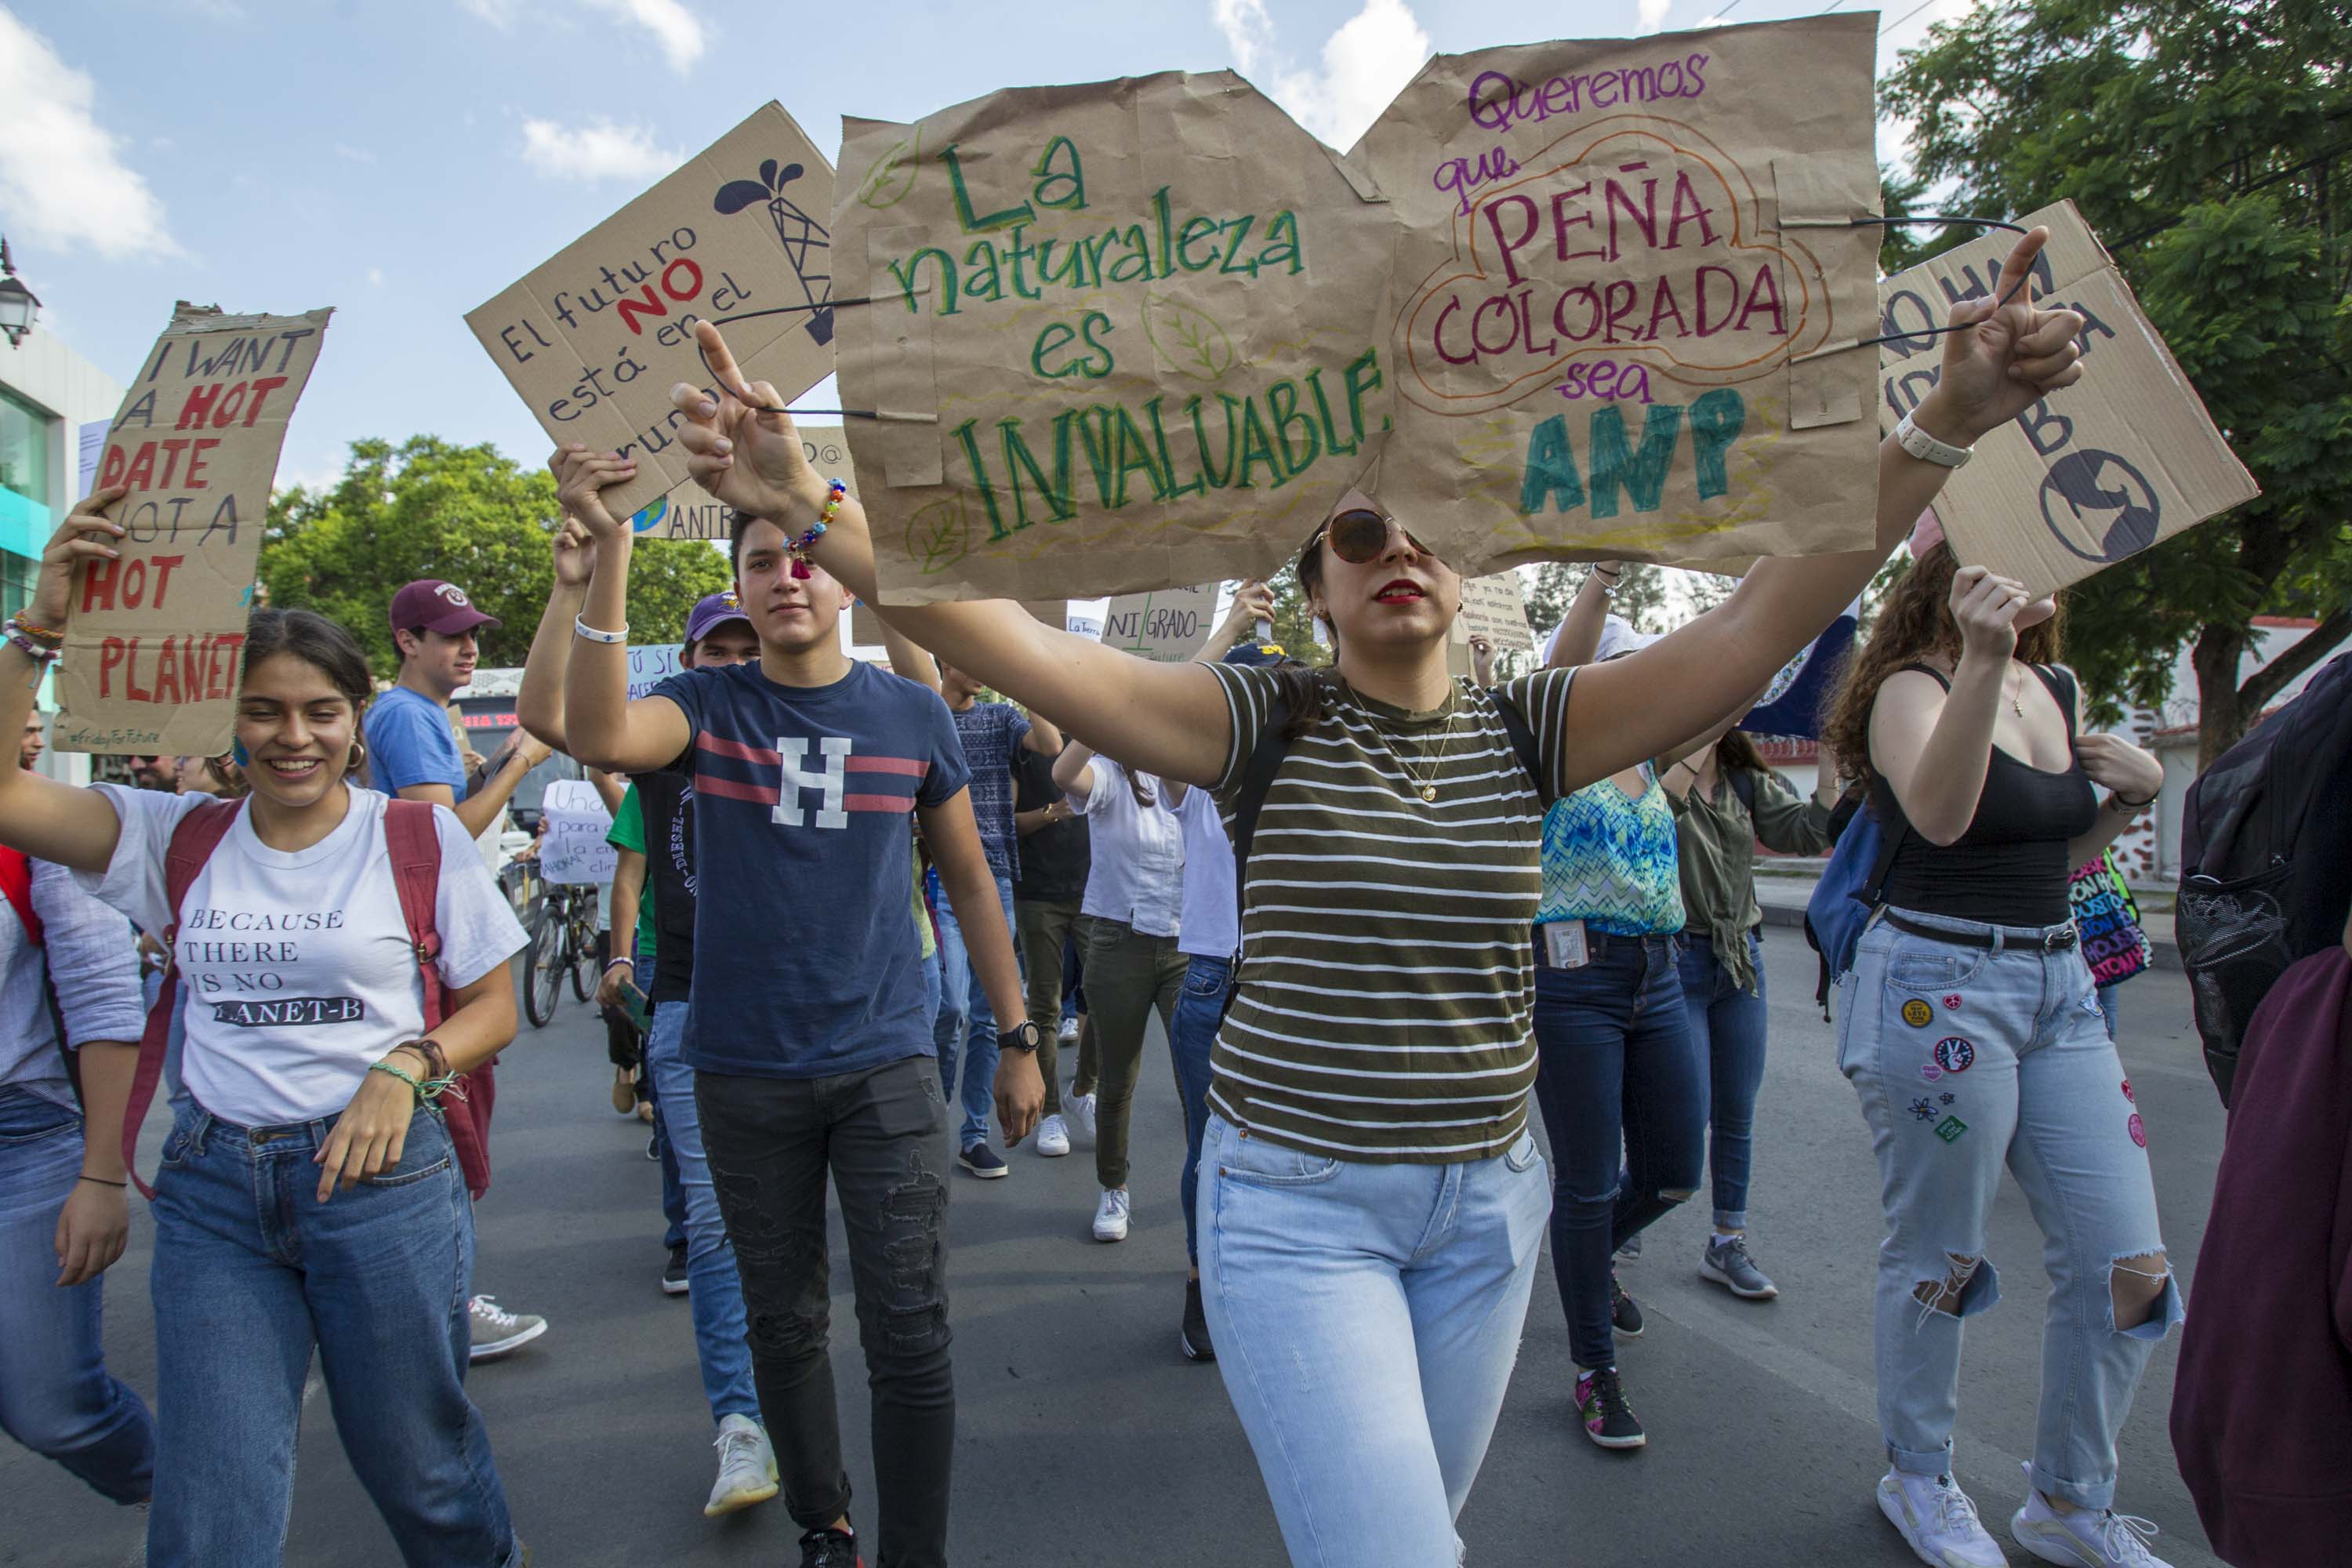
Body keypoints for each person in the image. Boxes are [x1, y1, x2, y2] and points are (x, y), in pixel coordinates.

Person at [652, 223, 2083, 1563]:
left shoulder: (1539, 727)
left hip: (1488, 1215)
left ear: (1460, 573)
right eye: (1357, 538)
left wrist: (1943, 422)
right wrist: (811, 506)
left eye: (1421, 533)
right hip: (1297, 1212)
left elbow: (1764, 617)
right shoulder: (1255, 721)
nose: (1395, 549)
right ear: (1319, 591)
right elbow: (1017, 645)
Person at [0, 501, 531, 1566]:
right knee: (212, 1505)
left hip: (385, 1188)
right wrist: (36, 631)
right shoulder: (169, 836)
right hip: (215, 1199)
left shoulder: (418, 837)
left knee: (420, 1471)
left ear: (358, 715)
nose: (295, 737)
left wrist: (407, 1064)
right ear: (228, 720)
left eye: (321, 712)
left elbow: (493, 1009)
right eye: (264, 712)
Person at [554, 444, 1042, 1568]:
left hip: (887, 1068)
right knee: (782, 1323)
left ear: (844, 580)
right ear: (744, 582)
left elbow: (969, 882)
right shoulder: (702, 704)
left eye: (805, 556)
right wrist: (611, 553)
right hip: (741, 1072)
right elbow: (598, 737)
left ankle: (916, 1552)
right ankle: (825, 1525)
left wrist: (1017, 1039)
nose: (786, 577)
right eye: (761, 561)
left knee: (910, 1330)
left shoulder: (912, 715)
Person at [1820, 532, 2180, 1568]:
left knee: (2129, 1262)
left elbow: (2052, 860)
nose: (2052, 568)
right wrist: (1980, 660)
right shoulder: (1910, 688)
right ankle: (1919, 1478)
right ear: (1957, 571)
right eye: (2027, 545)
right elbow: (1939, 819)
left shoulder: (2053, 685)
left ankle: (2070, 1502)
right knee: (1943, 1255)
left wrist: (2125, 800)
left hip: (2060, 986)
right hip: (1936, 992)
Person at [1526, 582, 1726, 1451]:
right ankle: (1594, 1369)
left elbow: (1738, 678)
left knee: (1676, 1169)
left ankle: (1584, 1251)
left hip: (1660, 974)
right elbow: (1558, 670)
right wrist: (1602, 577)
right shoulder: (1552, 749)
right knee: (1587, 1175)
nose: (1634, 681)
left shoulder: (1654, 756)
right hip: (1574, 981)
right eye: (1621, 666)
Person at [365, 574, 553, 1364]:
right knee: (450, 1122)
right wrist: (523, 762)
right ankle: (447, 1303)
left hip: (436, 937)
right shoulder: (407, 716)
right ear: (408, 641)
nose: (468, 645)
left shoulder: (419, 714)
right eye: (449, 634)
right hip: (429, 945)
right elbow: (438, 838)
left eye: (472, 631)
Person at [0, 705, 153, 1509]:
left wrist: (101, 1174)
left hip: (24, 1136)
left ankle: (198, 1494)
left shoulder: (39, 831)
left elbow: (102, 998)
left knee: (52, 1405)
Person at [1662, 720, 1838, 1302]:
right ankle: (1621, 1214)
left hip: (1741, 963)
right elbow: (1660, 810)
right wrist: (1700, 737)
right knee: (1687, 1115)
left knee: (1736, 1112)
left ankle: (1727, 1240)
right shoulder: (1648, 766)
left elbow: (1810, 833)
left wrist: (1832, 758)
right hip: (1676, 960)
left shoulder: (1743, 781)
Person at [1163, 609, 1289, 1363]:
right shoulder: (1194, 769)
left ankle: (1277, 1284)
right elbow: (1172, 694)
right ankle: (1200, 1277)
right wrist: (1229, 627)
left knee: (1292, 1149)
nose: (1269, 705)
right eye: (1251, 689)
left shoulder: (1315, 769)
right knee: (1211, 1147)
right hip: (1214, 979)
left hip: (1293, 984)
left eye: (1279, 691)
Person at [1051, 738, 1185, 1244]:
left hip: (1186, 945)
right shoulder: (1108, 774)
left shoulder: (1194, 773)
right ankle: (1113, 1186)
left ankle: (1218, 1190)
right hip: (1118, 940)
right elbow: (1066, 775)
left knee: (1197, 1082)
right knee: (1117, 1079)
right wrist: (1100, 720)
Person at [931, 660, 1062, 1178]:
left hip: (997, 878)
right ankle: (928, 1122)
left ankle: (974, 1134)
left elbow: (1050, 745)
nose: (981, 666)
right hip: (937, 880)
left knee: (989, 1017)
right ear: (943, 659)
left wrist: (1019, 676)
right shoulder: (924, 713)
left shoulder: (999, 719)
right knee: (949, 1006)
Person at [1010, 720, 1089, 1158]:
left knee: (1102, 1001)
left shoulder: (1096, 735)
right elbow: (1008, 821)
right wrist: (1051, 813)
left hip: (1097, 891)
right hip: (1038, 893)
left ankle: (1084, 1088)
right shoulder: (1022, 744)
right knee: (1044, 1005)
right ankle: (1052, 1113)